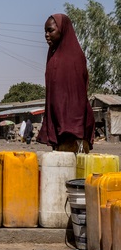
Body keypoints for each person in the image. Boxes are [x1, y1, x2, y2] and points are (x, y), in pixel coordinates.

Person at [37, 13, 95, 153]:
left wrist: (70, 128)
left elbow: (76, 98)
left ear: (62, 30)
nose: (46, 35)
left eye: (50, 30)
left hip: (73, 133)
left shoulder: (74, 57)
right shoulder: (52, 56)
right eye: (45, 31)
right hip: (59, 131)